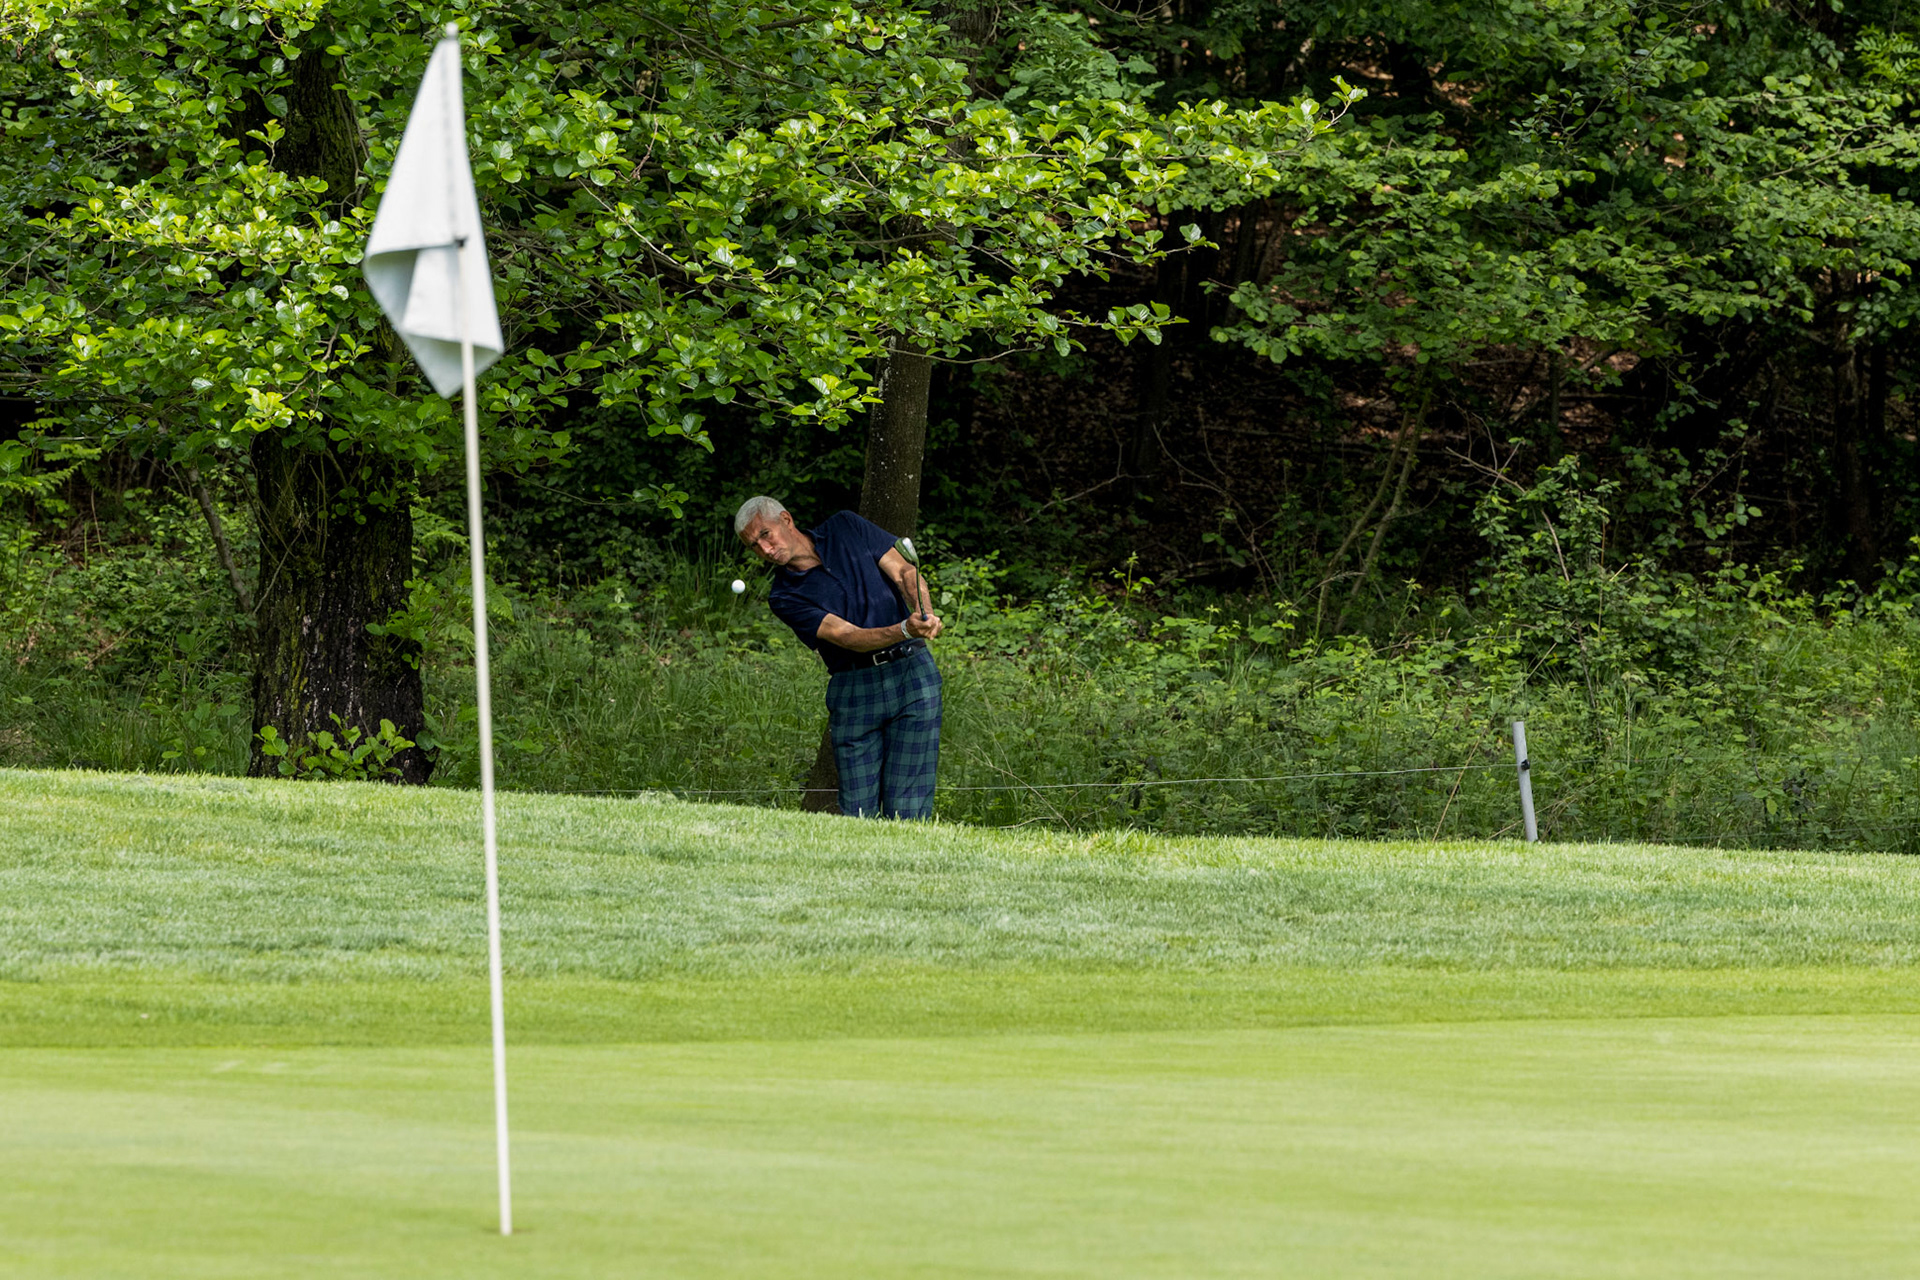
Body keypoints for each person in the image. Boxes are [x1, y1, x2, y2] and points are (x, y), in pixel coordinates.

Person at [735, 496, 944, 819]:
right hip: (854, 688)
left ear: (786, 520)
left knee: (910, 807)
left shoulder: (846, 526)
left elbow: (904, 571)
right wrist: (905, 628)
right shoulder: (784, 596)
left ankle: (907, 870)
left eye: (765, 534)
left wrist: (924, 614)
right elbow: (847, 636)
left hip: (912, 675)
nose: (764, 549)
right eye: (754, 546)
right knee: (858, 813)